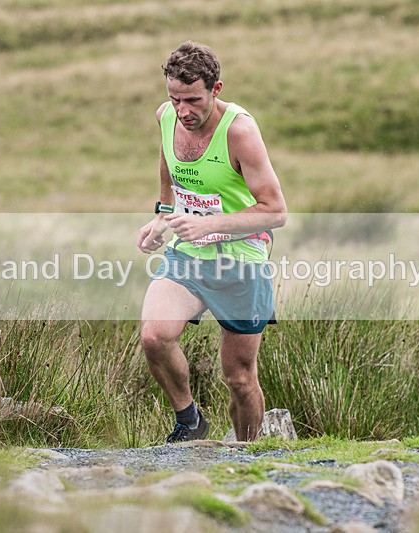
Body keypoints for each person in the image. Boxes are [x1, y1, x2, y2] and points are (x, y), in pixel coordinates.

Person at [137, 41, 287, 443]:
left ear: (216, 89)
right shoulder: (166, 117)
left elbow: (276, 211)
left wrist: (210, 226)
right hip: (187, 255)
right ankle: (189, 419)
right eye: (174, 98)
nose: (183, 110)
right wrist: (162, 215)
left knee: (238, 378)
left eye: (192, 100)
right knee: (155, 335)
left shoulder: (240, 131)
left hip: (241, 258)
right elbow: (169, 168)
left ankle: (247, 455)